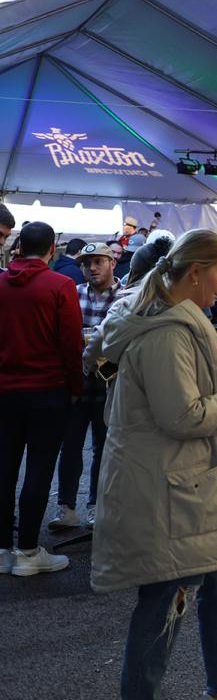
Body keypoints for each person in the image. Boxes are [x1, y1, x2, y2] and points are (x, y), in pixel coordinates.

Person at [92, 228, 217, 700]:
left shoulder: (165, 319)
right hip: (172, 487)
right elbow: (183, 415)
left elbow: (185, 399)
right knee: (165, 594)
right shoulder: (168, 331)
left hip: (187, 483)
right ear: (194, 272)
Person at [0, 221, 83, 576]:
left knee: (3, 469)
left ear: (18, 247)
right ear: (53, 249)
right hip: (48, 391)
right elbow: (71, 344)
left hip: (3, 391)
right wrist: (76, 386)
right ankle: (29, 550)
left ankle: (4, 548)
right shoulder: (61, 285)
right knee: (38, 469)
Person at [48, 242, 122, 531]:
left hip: (109, 386)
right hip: (77, 385)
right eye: (86, 263)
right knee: (70, 446)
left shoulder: (125, 297)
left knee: (104, 448)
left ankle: (95, 506)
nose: (91, 268)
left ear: (111, 263)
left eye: (98, 262)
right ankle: (66, 507)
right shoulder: (74, 293)